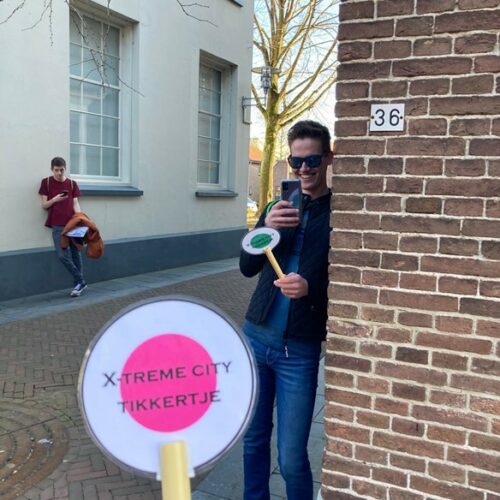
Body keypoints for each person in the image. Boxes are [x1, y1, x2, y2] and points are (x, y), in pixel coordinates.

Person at [240, 120, 333, 500]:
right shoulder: (275, 207)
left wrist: (311, 289)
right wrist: (265, 225)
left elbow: (348, 284)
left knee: (292, 457)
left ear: (328, 158)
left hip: (299, 349)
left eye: (312, 160)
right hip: (255, 338)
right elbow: (247, 267)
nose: (304, 169)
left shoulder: (340, 215)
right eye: (296, 162)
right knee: (253, 439)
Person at [38, 157, 87, 297]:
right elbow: (44, 205)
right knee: (61, 255)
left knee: (76, 253)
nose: (59, 173)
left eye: (62, 170)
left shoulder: (72, 184)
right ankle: (81, 280)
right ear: (52, 169)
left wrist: (79, 218)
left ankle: (78, 285)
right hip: (57, 224)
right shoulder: (46, 182)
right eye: (56, 170)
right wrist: (55, 199)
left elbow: (75, 203)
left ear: (65, 168)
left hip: (72, 223)